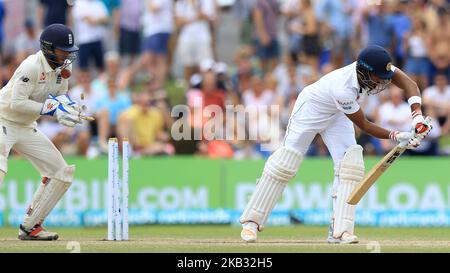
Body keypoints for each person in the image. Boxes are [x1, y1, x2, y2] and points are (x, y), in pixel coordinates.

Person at [239, 45, 433, 244]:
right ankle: (251, 223)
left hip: (337, 114)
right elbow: (364, 124)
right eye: (378, 77)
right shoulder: (343, 88)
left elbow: (410, 84)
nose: (382, 81)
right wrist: (397, 135)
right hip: (311, 109)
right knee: (285, 162)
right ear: (364, 71)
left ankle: (341, 231)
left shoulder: (375, 67)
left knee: (351, 165)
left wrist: (417, 117)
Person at [0, 24, 82, 240]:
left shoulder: (64, 68)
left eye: (69, 50)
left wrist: (70, 110)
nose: (67, 55)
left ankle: (31, 227)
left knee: (61, 173)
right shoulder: (31, 66)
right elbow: (17, 103)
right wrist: (53, 110)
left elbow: (61, 96)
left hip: (26, 126)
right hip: (2, 119)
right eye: (62, 50)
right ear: (48, 48)